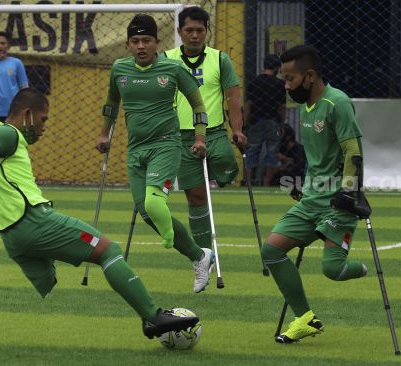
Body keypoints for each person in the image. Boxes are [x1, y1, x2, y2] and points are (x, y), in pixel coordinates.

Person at [0, 88, 199, 339]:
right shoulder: (8, 135)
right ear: (28, 114)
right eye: (43, 120)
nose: (44, 128)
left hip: (12, 233)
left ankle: (151, 316)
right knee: (108, 251)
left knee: (75, 263)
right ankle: (153, 317)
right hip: (33, 219)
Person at [96, 14, 215, 293]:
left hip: (166, 144)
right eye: (135, 41)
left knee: (153, 203)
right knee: (146, 212)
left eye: (146, 40)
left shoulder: (173, 69)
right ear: (127, 44)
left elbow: (198, 104)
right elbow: (112, 102)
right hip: (135, 149)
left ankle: (170, 240)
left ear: (156, 42)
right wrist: (104, 133)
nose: (141, 46)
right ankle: (199, 256)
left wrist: (199, 138)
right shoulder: (119, 69)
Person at [262, 45, 368, 344]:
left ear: (310, 76)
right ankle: (305, 319)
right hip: (311, 199)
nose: (286, 86)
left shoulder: (337, 103)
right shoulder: (305, 107)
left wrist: (349, 191)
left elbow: (352, 151)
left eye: (290, 79)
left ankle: (362, 268)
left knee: (333, 269)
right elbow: (318, 157)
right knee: (271, 250)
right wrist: (302, 184)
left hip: (338, 202)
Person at [162, 6, 246, 250]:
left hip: (216, 132)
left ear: (207, 31)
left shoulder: (220, 58)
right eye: (189, 30)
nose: (195, 35)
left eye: (200, 30)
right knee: (196, 197)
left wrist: (237, 130)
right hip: (181, 136)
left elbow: (233, 97)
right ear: (180, 31)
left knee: (229, 167)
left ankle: (217, 179)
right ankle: (204, 254)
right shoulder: (166, 60)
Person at [244, 54, 286, 186]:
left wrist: (244, 123)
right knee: (272, 152)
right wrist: (282, 123)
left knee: (251, 152)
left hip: (255, 120)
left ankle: (249, 182)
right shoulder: (280, 84)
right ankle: (266, 183)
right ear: (277, 68)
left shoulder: (254, 82)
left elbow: (248, 105)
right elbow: (281, 107)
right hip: (272, 121)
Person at [273, 124, 307, 188]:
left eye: (281, 134)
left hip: (297, 177)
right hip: (284, 175)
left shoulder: (299, 149)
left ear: (287, 136)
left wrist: (287, 160)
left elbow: (298, 168)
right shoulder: (282, 148)